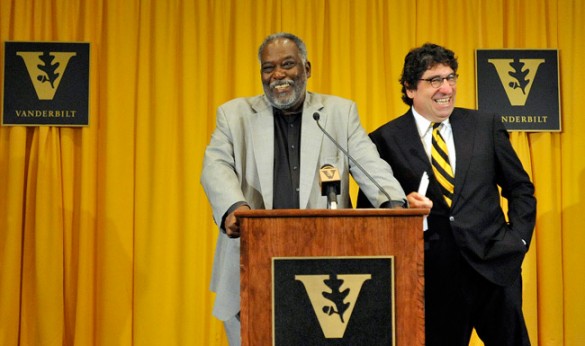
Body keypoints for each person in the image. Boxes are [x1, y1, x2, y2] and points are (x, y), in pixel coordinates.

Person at [200, 32, 407, 345]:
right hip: (253, 263)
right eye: (268, 68)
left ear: (307, 68)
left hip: (327, 263)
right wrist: (234, 207)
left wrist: (395, 205)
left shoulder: (339, 113)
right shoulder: (234, 115)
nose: (278, 74)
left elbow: (369, 164)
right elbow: (216, 166)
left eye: (287, 64)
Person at [357, 43, 536, 345]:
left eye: (451, 77)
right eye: (434, 80)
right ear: (410, 88)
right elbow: (372, 215)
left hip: (495, 270)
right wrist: (404, 209)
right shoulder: (383, 140)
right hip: (432, 279)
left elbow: (520, 188)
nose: (446, 88)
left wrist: (516, 240)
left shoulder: (485, 125)